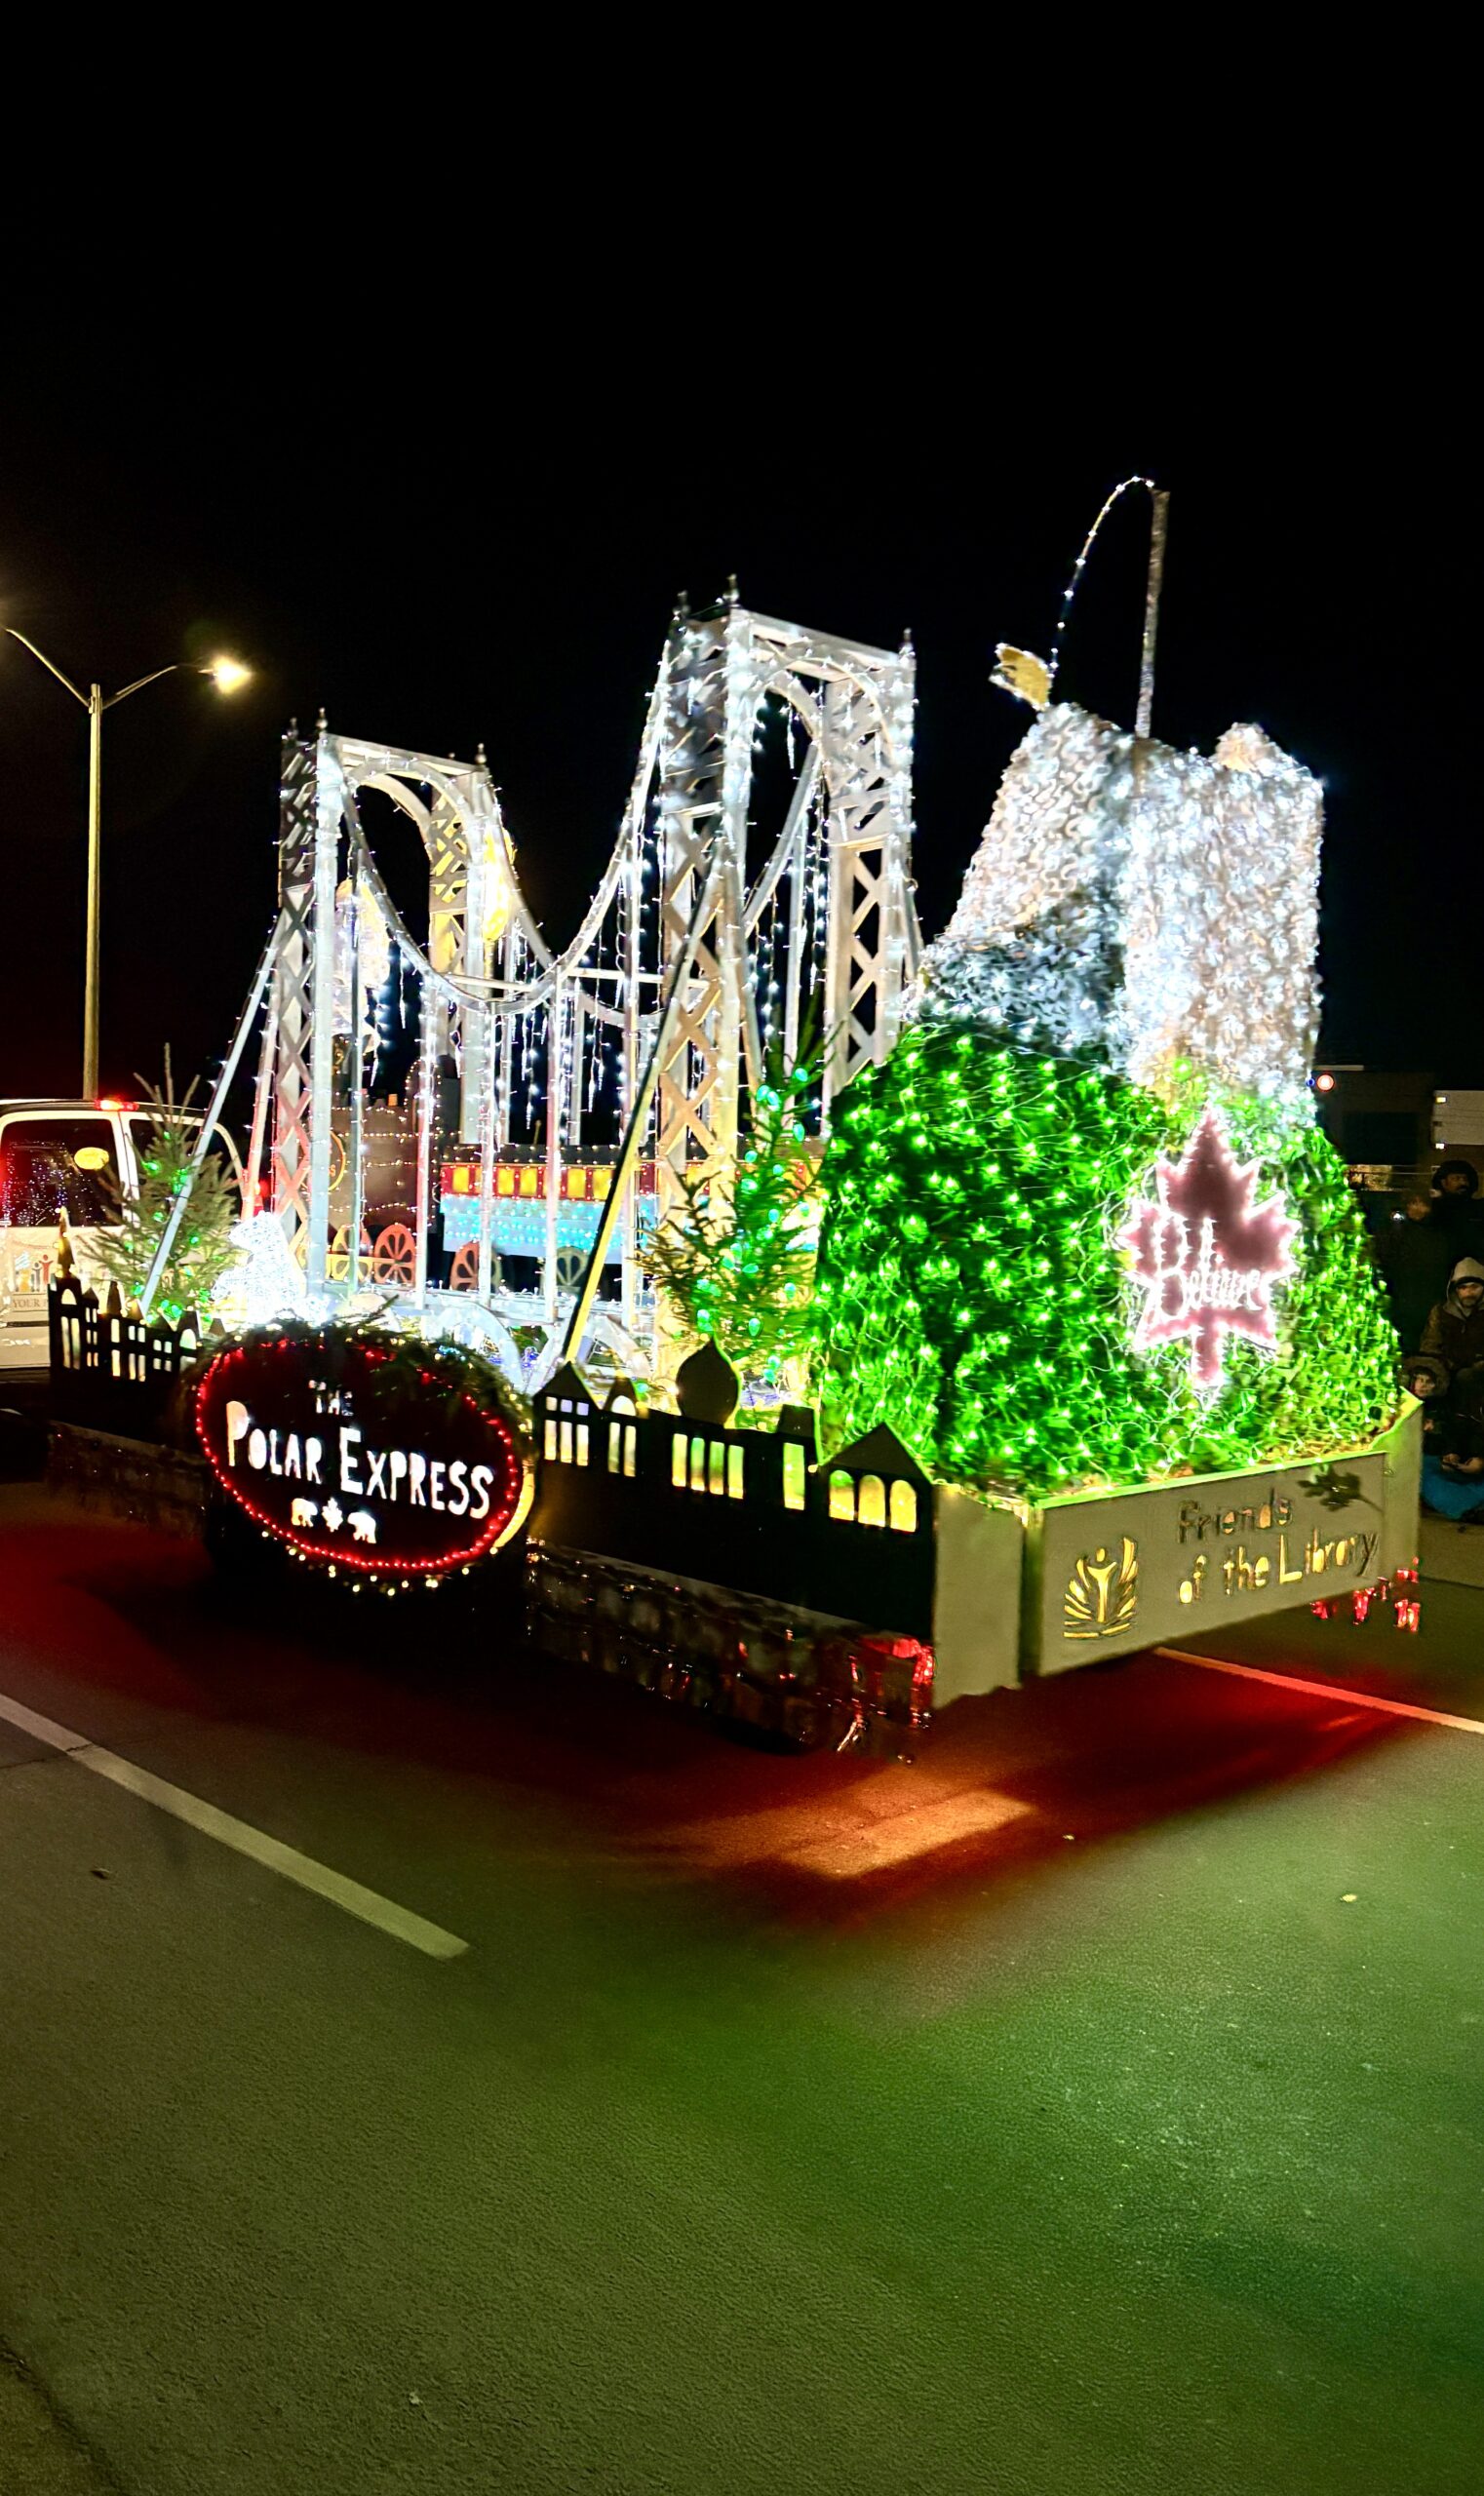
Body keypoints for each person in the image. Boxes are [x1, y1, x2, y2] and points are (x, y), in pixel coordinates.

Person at [1411, 1353, 1484, 1521]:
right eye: (1419, 1380)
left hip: (1446, 1461)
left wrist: (1453, 1454)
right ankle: (1465, 1507)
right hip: (1420, 1462)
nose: (1423, 1386)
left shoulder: (1444, 1409)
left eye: (1429, 1382)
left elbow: (1458, 1435)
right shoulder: (1404, 1405)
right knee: (1426, 1476)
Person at [1381, 1192, 1454, 1352]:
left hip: (1428, 1293)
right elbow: (1388, 1258)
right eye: (1413, 1203)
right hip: (1402, 1292)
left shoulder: (1438, 1233)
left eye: (1422, 1204)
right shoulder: (1396, 1231)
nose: (1417, 1208)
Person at [1421, 1256, 1484, 1375]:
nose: (1469, 1293)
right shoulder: (1441, 1313)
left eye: (1474, 1287)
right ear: (1455, 1289)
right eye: (1463, 1287)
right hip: (1447, 1374)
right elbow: (1430, 1346)